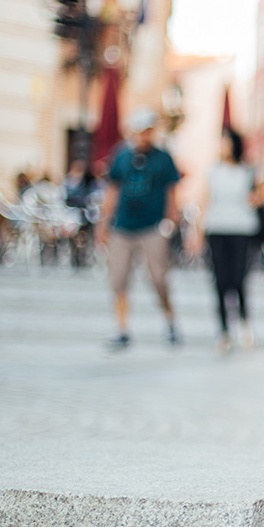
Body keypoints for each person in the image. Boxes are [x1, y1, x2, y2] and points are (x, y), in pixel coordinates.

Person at [97, 108, 182, 350]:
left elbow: (172, 192)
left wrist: (170, 221)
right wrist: (103, 224)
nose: (145, 136)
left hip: (152, 226)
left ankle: (170, 321)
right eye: (141, 131)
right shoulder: (121, 156)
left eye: (148, 131)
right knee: (119, 278)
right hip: (123, 226)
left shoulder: (163, 158)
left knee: (158, 278)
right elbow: (112, 191)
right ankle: (121, 328)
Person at [198, 128, 258, 352]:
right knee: (220, 281)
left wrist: (255, 197)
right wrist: (197, 231)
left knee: (239, 278)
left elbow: (263, 194)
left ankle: (245, 325)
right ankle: (223, 331)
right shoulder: (213, 172)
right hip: (217, 228)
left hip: (242, 228)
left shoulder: (247, 171)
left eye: (226, 142)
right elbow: (205, 200)